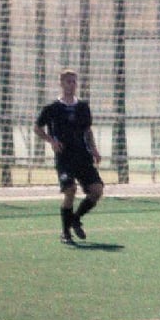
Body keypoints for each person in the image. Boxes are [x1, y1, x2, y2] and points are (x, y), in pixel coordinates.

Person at [35, 69, 104, 244]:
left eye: (74, 82)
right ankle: (65, 233)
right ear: (61, 83)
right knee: (70, 191)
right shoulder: (52, 108)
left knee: (97, 190)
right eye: (68, 82)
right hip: (64, 157)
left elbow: (87, 131)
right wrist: (51, 141)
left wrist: (94, 150)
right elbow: (37, 128)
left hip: (83, 156)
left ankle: (75, 218)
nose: (71, 85)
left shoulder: (83, 107)